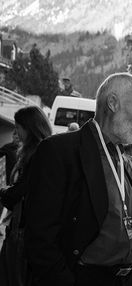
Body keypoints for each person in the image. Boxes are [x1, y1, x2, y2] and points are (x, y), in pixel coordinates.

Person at [23, 72, 132, 286]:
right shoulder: (60, 151)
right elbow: (39, 236)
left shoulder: (127, 162)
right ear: (113, 103)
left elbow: (112, 219)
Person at [0, 106, 52, 286]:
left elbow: (13, 195)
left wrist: (2, 190)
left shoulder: (36, 155)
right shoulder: (41, 151)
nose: (15, 131)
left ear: (28, 129)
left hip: (21, 232)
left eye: (17, 127)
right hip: (20, 229)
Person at [0, 130, 21, 228]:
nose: (18, 140)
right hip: (10, 181)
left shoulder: (24, 149)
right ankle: (4, 223)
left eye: (19, 138)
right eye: (16, 138)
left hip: (19, 182)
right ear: (13, 137)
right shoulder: (8, 147)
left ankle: (7, 223)